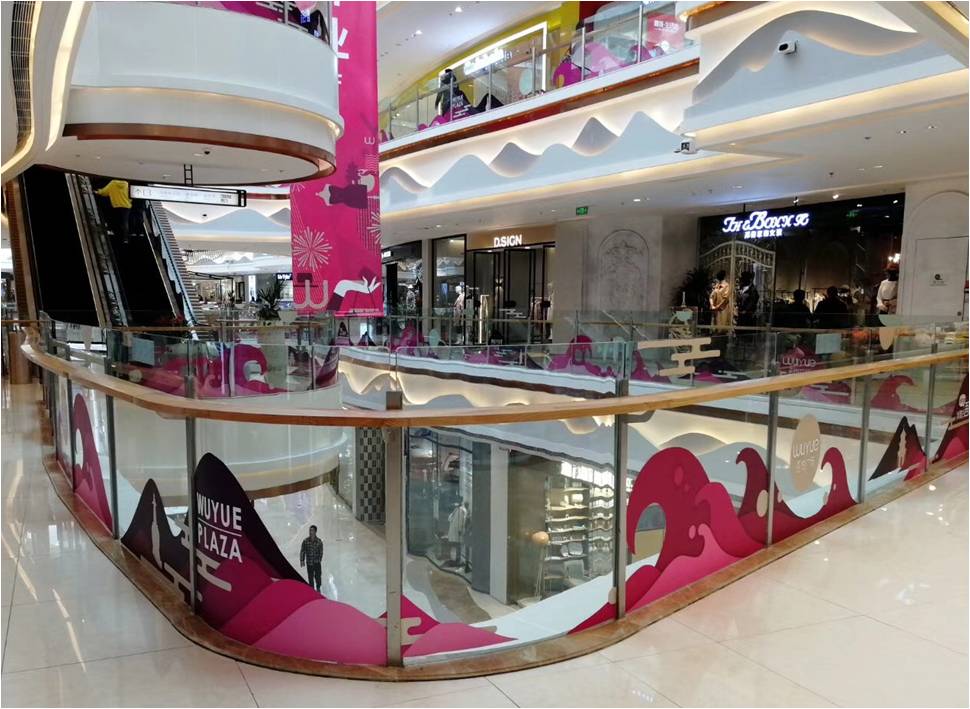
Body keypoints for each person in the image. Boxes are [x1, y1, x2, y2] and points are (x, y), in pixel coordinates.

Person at [95, 178, 132, 244]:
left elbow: (104, 192)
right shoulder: (126, 184)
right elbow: (131, 195)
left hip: (116, 205)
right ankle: (125, 238)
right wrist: (129, 201)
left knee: (117, 221)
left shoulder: (113, 183)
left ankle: (118, 235)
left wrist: (98, 192)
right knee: (125, 221)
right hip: (126, 206)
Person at [299, 524, 324, 592]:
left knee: (318, 576)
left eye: (312, 530)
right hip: (309, 562)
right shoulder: (305, 541)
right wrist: (302, 560)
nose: (310, 532)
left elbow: (321, 552)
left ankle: (318, 587)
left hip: (317, 562)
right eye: (310, 530)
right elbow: (302, 551)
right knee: (310, 577)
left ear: (315, 532)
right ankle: (312, 589)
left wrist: (319, 559)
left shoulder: (319, 541)